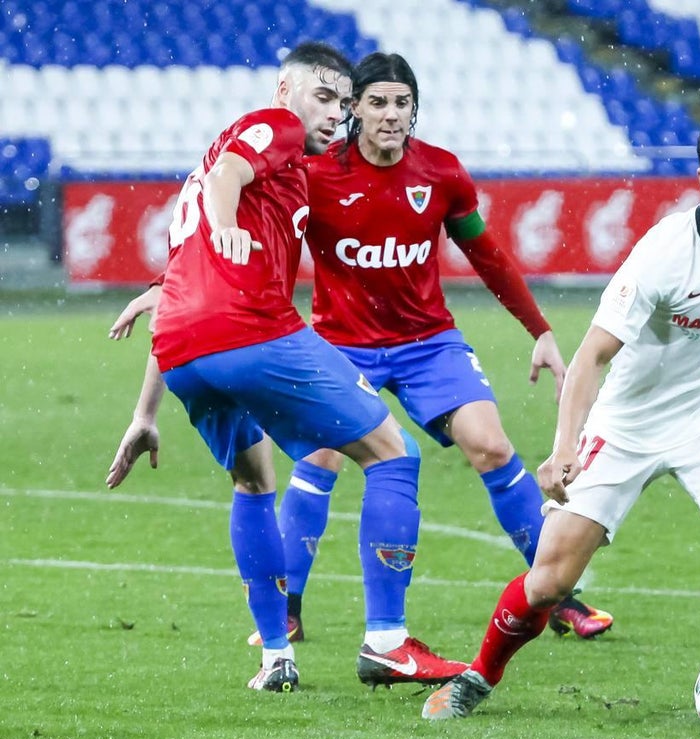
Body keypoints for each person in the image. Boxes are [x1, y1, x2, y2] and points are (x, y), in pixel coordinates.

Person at [108, 51, 614, 686]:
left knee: (482, 445)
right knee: (362, 457)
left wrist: (539, 328)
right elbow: (226, 188)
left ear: (415, 109)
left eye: (397, 102)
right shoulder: (299, 158)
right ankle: (354, 630)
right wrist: (218, 230)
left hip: (418, 340)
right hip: (325, 337)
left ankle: (551, 593)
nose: (380, 114)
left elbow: (484, 251)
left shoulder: (439, 173)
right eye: (367, 101)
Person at [420, 112, 700, 721]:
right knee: (549, 583)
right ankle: (478, 677)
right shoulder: (665, 253)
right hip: (626, 425)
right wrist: (565, 449)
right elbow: (590, 356)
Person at [105, 42, 465, 693]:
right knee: (393, 453)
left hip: (187, 353)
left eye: (341, 100)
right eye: (323, 96)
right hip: (252, 331)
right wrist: (224, 225)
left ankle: (276, 658)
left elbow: (181, 300)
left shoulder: (244, 171)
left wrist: (144, 413)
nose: (336, 111)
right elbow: (225, 186)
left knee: (252, 482)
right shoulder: (270, 129)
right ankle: (387, 642)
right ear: (286, 90)